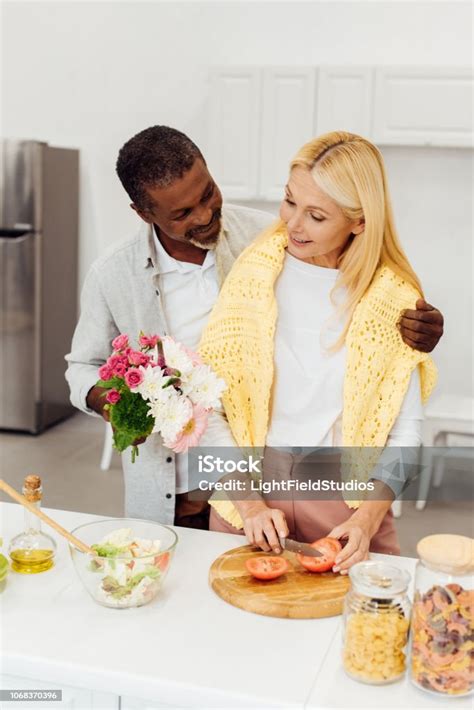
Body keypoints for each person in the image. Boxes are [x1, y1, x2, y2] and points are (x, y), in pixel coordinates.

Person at [66, 126, 443, 529]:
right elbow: (83, 366)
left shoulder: (270, 238)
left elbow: (346, 264)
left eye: (208, 193)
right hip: (172, 483)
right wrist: (108, 400)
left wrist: (411, 324)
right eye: (182, 214)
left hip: (265, 474)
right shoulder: (112, 274)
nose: (206, 214)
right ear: (144, 214)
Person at [199, 130, 438, 570]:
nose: (293, 224)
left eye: (316, 215)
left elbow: (405, 434)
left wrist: (366, 521)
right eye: (289, 201)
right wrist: (249, 506)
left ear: (359, 221)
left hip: (349, 503)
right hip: (249, 495)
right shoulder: (253, 275)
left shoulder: (393, 299)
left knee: (361, 632)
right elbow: (212, 405)